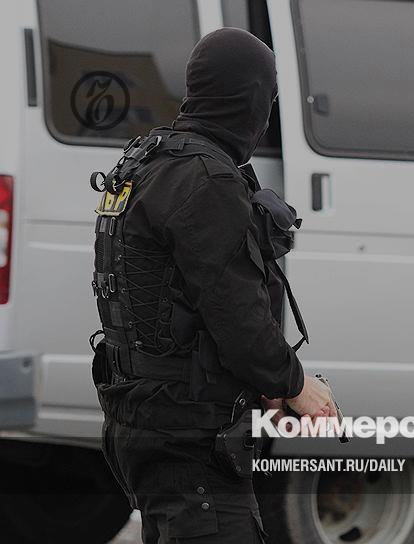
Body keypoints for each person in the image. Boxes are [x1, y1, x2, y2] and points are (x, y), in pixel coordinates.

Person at [90, 28, 336, 543]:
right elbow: (238, 316)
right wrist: (295, 385)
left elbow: (178, 305)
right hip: (191, 437)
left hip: (141, 421)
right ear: (251, 98)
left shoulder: (143, 164)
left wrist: (266, 386)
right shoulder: (208, 180)